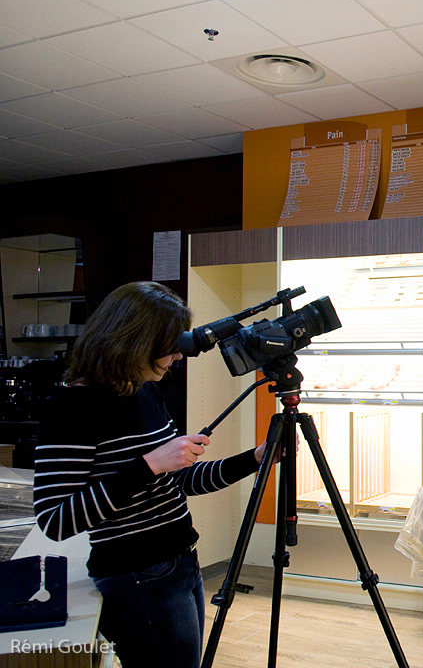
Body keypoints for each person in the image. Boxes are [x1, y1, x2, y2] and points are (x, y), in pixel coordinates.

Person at [33, 281, 275, 668]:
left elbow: (178, 482)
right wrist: (149, 464)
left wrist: (255, 459)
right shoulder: (73, 407)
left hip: (179, 562)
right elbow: (56, 519)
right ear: (133, 341)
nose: (179, 356)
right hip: (137, 579)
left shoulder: (143, 389)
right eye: (170, 346)